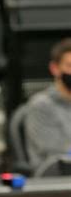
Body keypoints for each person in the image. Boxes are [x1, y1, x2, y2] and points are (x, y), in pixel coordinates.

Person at [22, 37, 71, 173]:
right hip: (52, 181)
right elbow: (57, 154)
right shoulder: (40, 106)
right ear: (55, 68)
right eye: (69, 66)